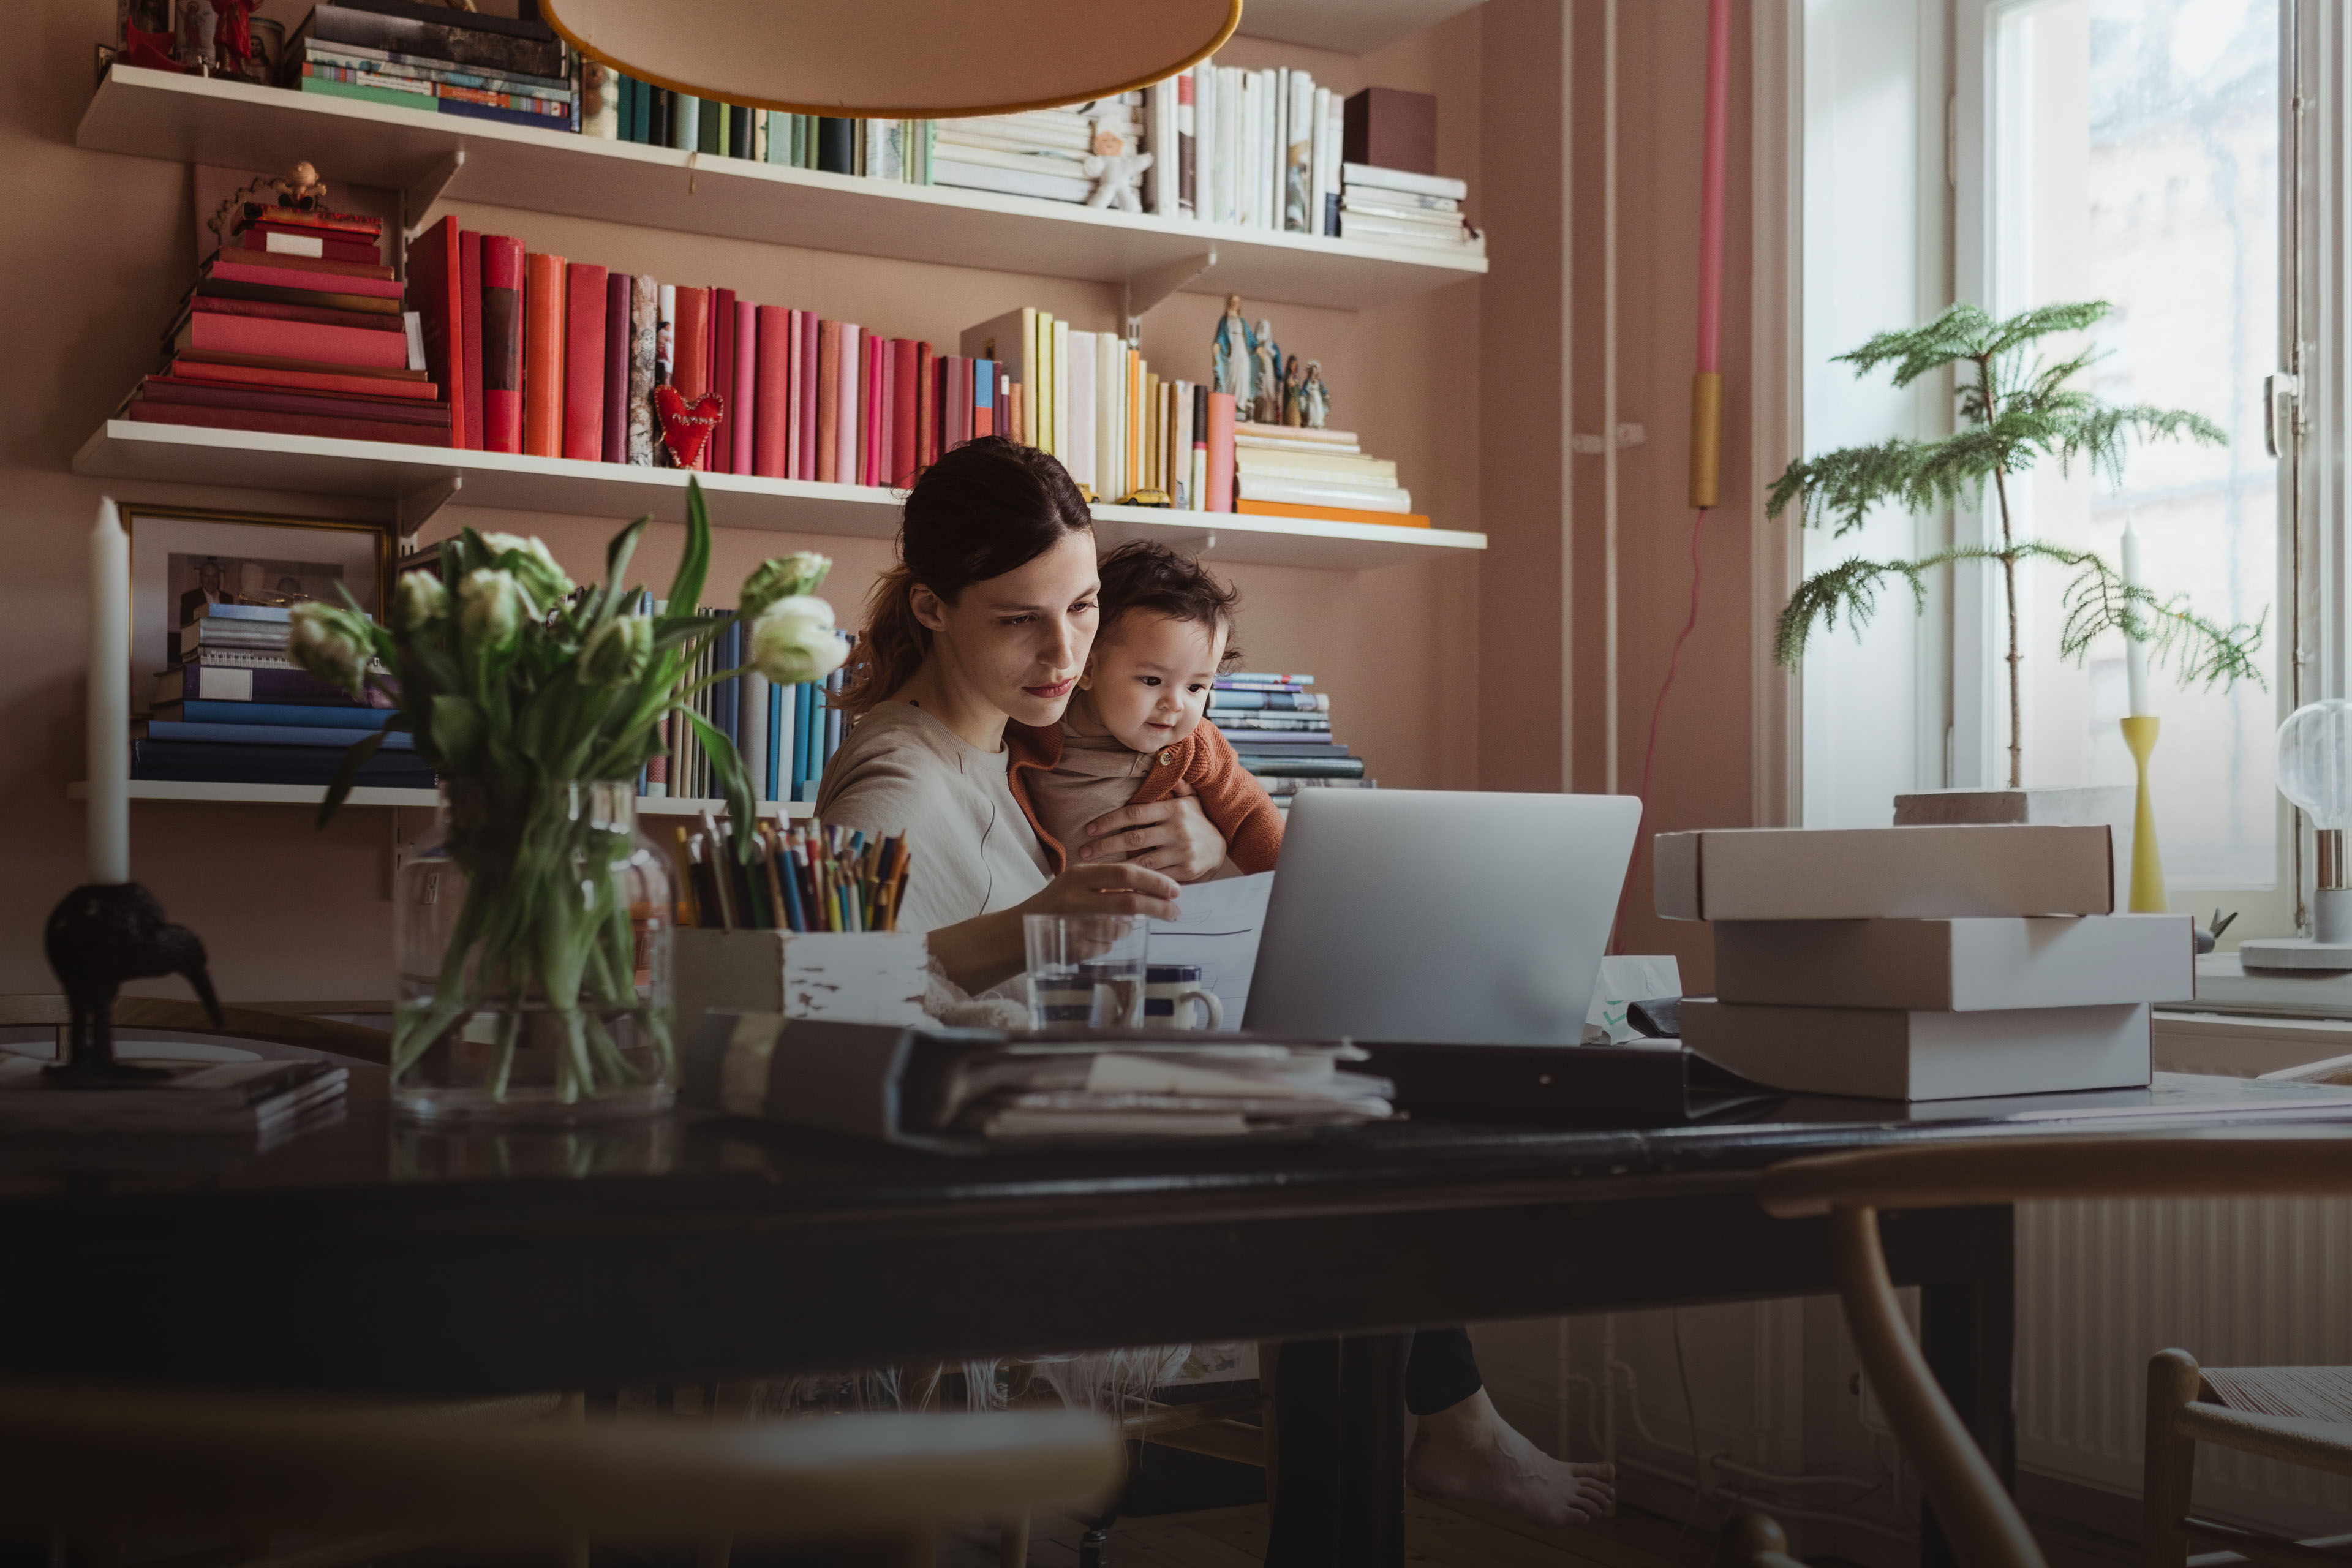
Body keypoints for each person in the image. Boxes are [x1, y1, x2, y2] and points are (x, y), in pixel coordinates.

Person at [815, 437, 1615, 1527]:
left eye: (1087, 608)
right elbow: (828, 1002)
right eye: (1020, 618)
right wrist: (1031, 929)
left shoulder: (995, 759)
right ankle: (1441, 1444)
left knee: (1351, 1120)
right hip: (988, 1202)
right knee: (1360, 1160)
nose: (1065, 652)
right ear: (935, 608)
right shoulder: (902, 773)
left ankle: (1437, 1443)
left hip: (1050, 1147)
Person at [1025, 541, 1281, 881]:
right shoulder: (1035, 724)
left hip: (1166, 919)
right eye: (1152, 679)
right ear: (1087, 670)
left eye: (1195, 687)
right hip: (1068, 919)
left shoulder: (1194, 748)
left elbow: (1250, 815)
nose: (1175, 704)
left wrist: (1295, 888)